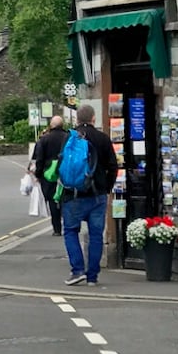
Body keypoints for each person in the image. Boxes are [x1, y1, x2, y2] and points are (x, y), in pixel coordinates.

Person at [61, 104, 118, 286]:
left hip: (72, 194)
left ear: (77, 120)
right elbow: (113, 167)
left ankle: (77, 270)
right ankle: (92, 276)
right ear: (94, 119)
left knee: (70, 231)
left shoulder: (68, 138)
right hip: (97, 195)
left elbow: (60, 165)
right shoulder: (102, 138)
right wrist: (107, 188)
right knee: (95, 235)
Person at [31, 115, 69, 236]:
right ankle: (68, 225)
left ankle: (57, 229)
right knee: (66, 198)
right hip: (66, 173)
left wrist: (38, 174)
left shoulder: (44, 140)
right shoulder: (68, 138)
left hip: (48, 175)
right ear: (62, 125)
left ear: (51, 126)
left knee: (53, 201)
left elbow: (39, 159)